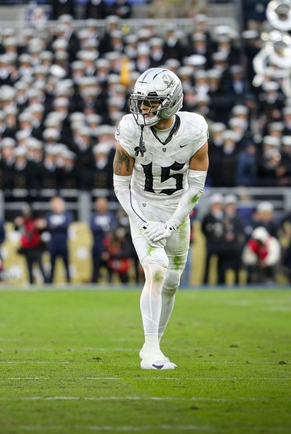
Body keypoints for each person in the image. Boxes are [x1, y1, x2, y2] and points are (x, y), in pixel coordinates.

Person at [113, 67, 209, 370]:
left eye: (150, 102)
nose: (142, 108)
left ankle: (152, 345)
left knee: (171, 280)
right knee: (156, 269)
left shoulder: (194, 129)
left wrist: (169, 224)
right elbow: (120, 185)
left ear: (170, 102)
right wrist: (143, 222)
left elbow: (195, 186)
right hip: (141, 205)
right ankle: (152, 349)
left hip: (176, 211)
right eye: (140, 101)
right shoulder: (130, 128)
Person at [44, 196, 73, 284]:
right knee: (52, 265)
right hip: (53, 244)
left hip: (64, 243)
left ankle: (69, 283)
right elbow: (48, 225)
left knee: (66, 265)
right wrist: (57, 226)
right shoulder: (49, 215)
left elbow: (66, 225)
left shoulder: (67, 214)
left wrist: (55, 226)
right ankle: (50, 283)